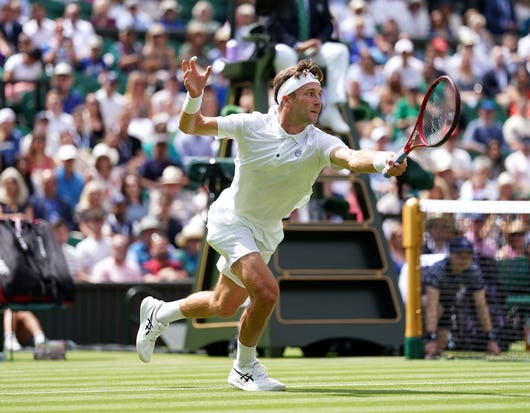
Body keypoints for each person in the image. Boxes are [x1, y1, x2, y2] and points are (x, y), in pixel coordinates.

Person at [135, 58, 406, 391]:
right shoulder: (251, 125)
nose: (318, 101)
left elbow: (351, 158)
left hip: (266, 231)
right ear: (286, 99)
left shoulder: (319, 141)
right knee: (266, 292)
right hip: (231, 220)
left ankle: (158, 313)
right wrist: (194, 96)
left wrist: (382, 160)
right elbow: (192, 126)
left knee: (224, 304)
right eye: (309, 93)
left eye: (320, 94)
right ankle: (244, 368)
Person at [269, 0, 351, 134]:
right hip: (288, 46)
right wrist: (296, 44)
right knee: (283, 53)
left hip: (313, 49)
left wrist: (318, 41)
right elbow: (272, 25)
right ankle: (289, 108)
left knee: (339, 51)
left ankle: (331, 108)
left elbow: (327, 25)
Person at [422, 237, 501, 357]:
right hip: (420, 305)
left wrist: (491, 338)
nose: (464, 259)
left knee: (439, 348)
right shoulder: (437, 272)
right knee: (437, 309)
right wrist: (431, 338)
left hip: (447, 304)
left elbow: (481, 306)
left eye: (468, 255)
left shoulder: (473, 271)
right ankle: (422, 339)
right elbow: (431, 307)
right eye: (459, 254)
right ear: (451, 255)